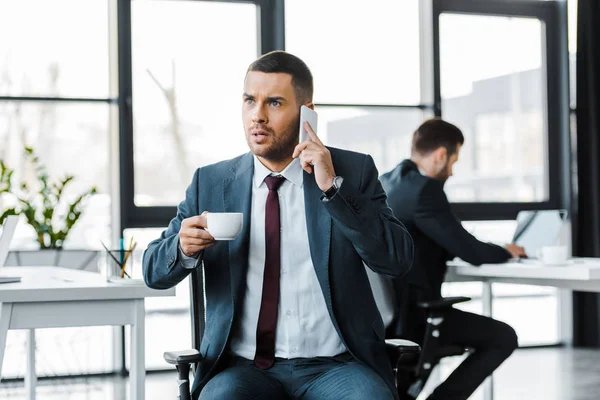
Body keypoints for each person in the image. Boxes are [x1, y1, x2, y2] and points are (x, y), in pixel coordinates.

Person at [143, 51, 414, 400]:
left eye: (274, 103)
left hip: (337, 366)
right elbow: (152, 269)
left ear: (306, 113)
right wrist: (181, 248)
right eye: (249, 101)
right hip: (243, 369)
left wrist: (333, 188)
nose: (257, 115)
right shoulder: (210, 183)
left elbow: (397, 260)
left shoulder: (352, 171)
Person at [380, 118, 524, 400]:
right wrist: (508, 251)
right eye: (454, 161)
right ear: (441, 154)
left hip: (390, 317)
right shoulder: (425, 191)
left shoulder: (389, 182)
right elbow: (471, 251)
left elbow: (433, 239)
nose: (452, 172)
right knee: (503, 337)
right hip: (418, 318)